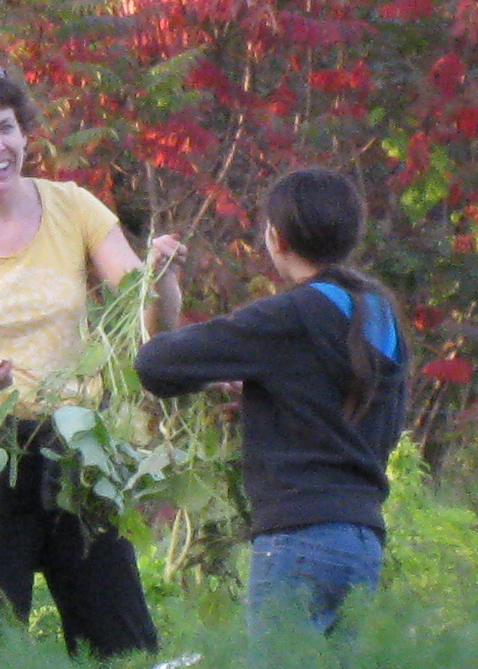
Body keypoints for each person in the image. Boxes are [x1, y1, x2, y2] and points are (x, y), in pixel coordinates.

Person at [0, 60, 183, 655]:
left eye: (5, 128)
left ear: (26, 132)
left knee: (123, 649)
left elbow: (146, 324)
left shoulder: (75, 207)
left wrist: (164, 279)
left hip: (80, 455)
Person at [134, 165, 408, 643]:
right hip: (362, 541)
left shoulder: (291, 315)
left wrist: (162, 285)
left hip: (298, 538)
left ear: (276, 238)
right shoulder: (379, 313)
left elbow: (156, 364)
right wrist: (267, 384)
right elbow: (338, 399)